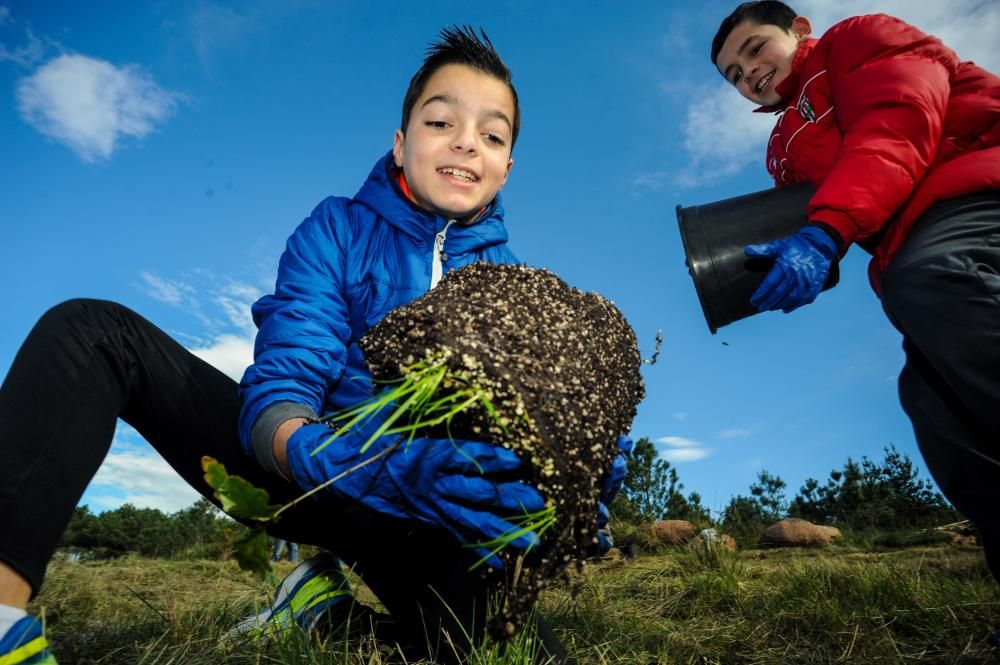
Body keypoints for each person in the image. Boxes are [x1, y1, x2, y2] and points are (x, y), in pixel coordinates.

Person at [0, 26, 615, 664]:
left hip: (424, 513)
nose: (467, 141)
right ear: (401, 144)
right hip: (305, 472)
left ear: (506, 168)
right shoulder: (336, 230)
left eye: (492, 134)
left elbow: (511, 444)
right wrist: (326, 451)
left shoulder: (516, 290)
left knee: (516, 656)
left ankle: (320, 617)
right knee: (95, 333)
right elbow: (284, 384)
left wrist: (565, 483)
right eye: (441, 122)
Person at [711, 1, 1000, 583]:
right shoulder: (782, 147)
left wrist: (825, 232)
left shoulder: (858, 40)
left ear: (800, 30)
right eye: (734, 76)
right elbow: (818, 214)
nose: (749, 75)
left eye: (754, 50)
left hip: (976, 185)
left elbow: (897, 120)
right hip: (914, 242)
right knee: (933, 403)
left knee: (933, 281)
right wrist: (791, 253)